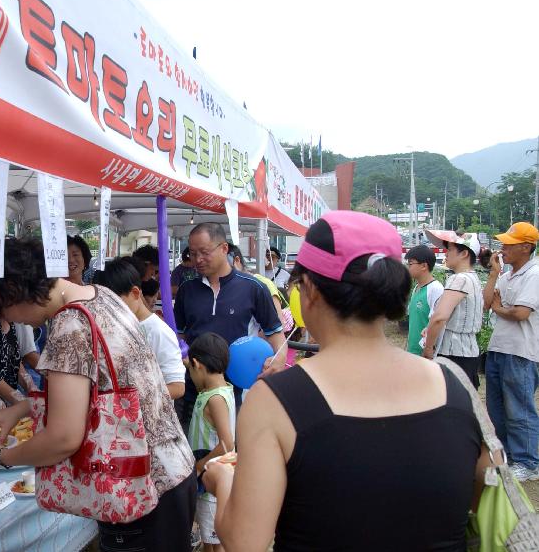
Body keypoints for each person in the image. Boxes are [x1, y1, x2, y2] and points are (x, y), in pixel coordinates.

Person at [202, 211, 487, 551]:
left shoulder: (274, 402)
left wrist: (222, 480)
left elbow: (245, 542)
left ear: (309, 291)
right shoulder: (455, 385)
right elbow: (477, 492)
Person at [0, 238, 195, 552]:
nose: (7, 319)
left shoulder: (68, 326)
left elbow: (63, 438)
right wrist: (18, 410)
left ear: (11, 292)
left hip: (138, 486)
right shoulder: (100, 295)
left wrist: (2, 458)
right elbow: (97, 390)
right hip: (172, 470)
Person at [175, 223, 286, 421]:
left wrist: (278, 359)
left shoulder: (253, 288)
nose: (198, 260)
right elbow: (179, 335)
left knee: (229, 448)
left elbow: (275, 333)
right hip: (192, 390)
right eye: (192, 254)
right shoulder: (187, 290)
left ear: (224, 248)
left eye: (204, 252)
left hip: (233, 390)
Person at [483, 222, 539, 481]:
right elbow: (486, 304)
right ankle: (508, 456)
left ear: (526, 247)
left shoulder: (534, 274)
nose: (503, 248)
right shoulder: (507, 276)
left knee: (519, 408)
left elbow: (520, 313)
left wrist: (498, 308)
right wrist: (494, 274)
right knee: (497, 408)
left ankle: (528, 462)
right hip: (499, 348)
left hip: (521, 352)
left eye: (509, 244)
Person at [93, 258, 185, 399]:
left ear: (135, 293)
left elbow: (177, 387)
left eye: (115, 304)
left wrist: (132, 399)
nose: (109, 311)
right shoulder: (114, 325)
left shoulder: (158, 331)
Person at [187, 333, 235, 552]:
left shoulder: (214, 399)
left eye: (190, 369)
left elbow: (227, 443)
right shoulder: (220, 389)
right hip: (214, 478)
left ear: (198, 364)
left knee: (213, 543)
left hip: (211, 482)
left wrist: (199, 465)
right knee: (215, 541)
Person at [422, 231, 483, 388]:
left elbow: (439, 318)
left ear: (463, 254)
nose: (446, 253)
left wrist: (429, 348)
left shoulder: (459, 279)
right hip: (468, 351)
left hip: (454, 353)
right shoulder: (472, 278)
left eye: (449, 250)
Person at [404, 245, 444, 356]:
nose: (408, 267)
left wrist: (428, 350)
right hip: (412, 353)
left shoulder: (435, 289)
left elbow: (437, 323)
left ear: (424, 266)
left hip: (425, 355)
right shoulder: (417, 288)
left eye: (410, 264)